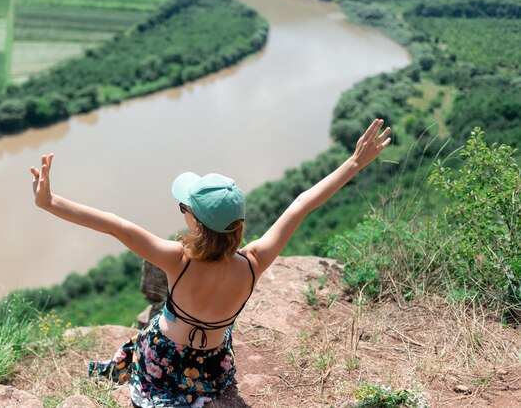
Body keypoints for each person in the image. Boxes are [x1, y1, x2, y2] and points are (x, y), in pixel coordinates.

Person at [30, 119, 391, 407]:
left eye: (184, 208)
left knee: (155, 332)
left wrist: (50, 203)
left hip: (164, 365)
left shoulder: (176, 259)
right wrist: (355, 162)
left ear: (195, 223)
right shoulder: (254, 262)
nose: (183, 212)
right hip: (213, 368)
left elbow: (114, 225)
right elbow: (301, 204)